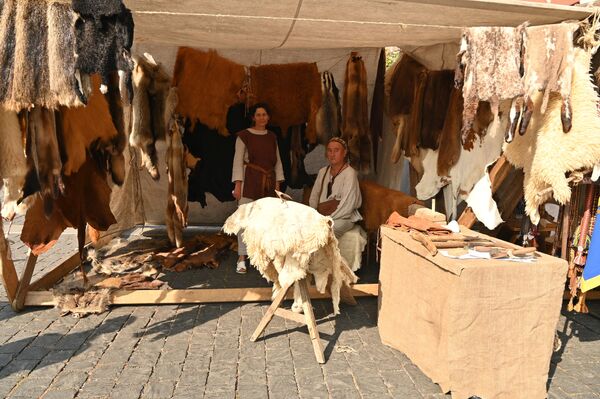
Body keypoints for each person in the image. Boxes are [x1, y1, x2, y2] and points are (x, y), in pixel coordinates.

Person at [232, 103, 285, 273]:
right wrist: (238, 185)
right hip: (250, 180)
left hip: (269, 181)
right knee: (244, 220)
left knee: (268, 221)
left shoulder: (272, 137)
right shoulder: (244, 136)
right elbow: (238, 161)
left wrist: (277, 186)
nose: (262, 117)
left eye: (264, 114)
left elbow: (277, 162)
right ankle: (242, 257)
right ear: (253, 118)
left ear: (268, 117)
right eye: (258, 114)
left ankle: (266, 257)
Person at [309, 137, 362, 237]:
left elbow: (347, 205)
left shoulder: (350, 173)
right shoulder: (323, 172)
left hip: (343, 217)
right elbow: (314, 197)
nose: (332, 154)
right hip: (323, 215)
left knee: (325, 232)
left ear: (345, 152)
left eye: (336, 150)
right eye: (329, 150)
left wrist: (328, 219)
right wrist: (314, 215)